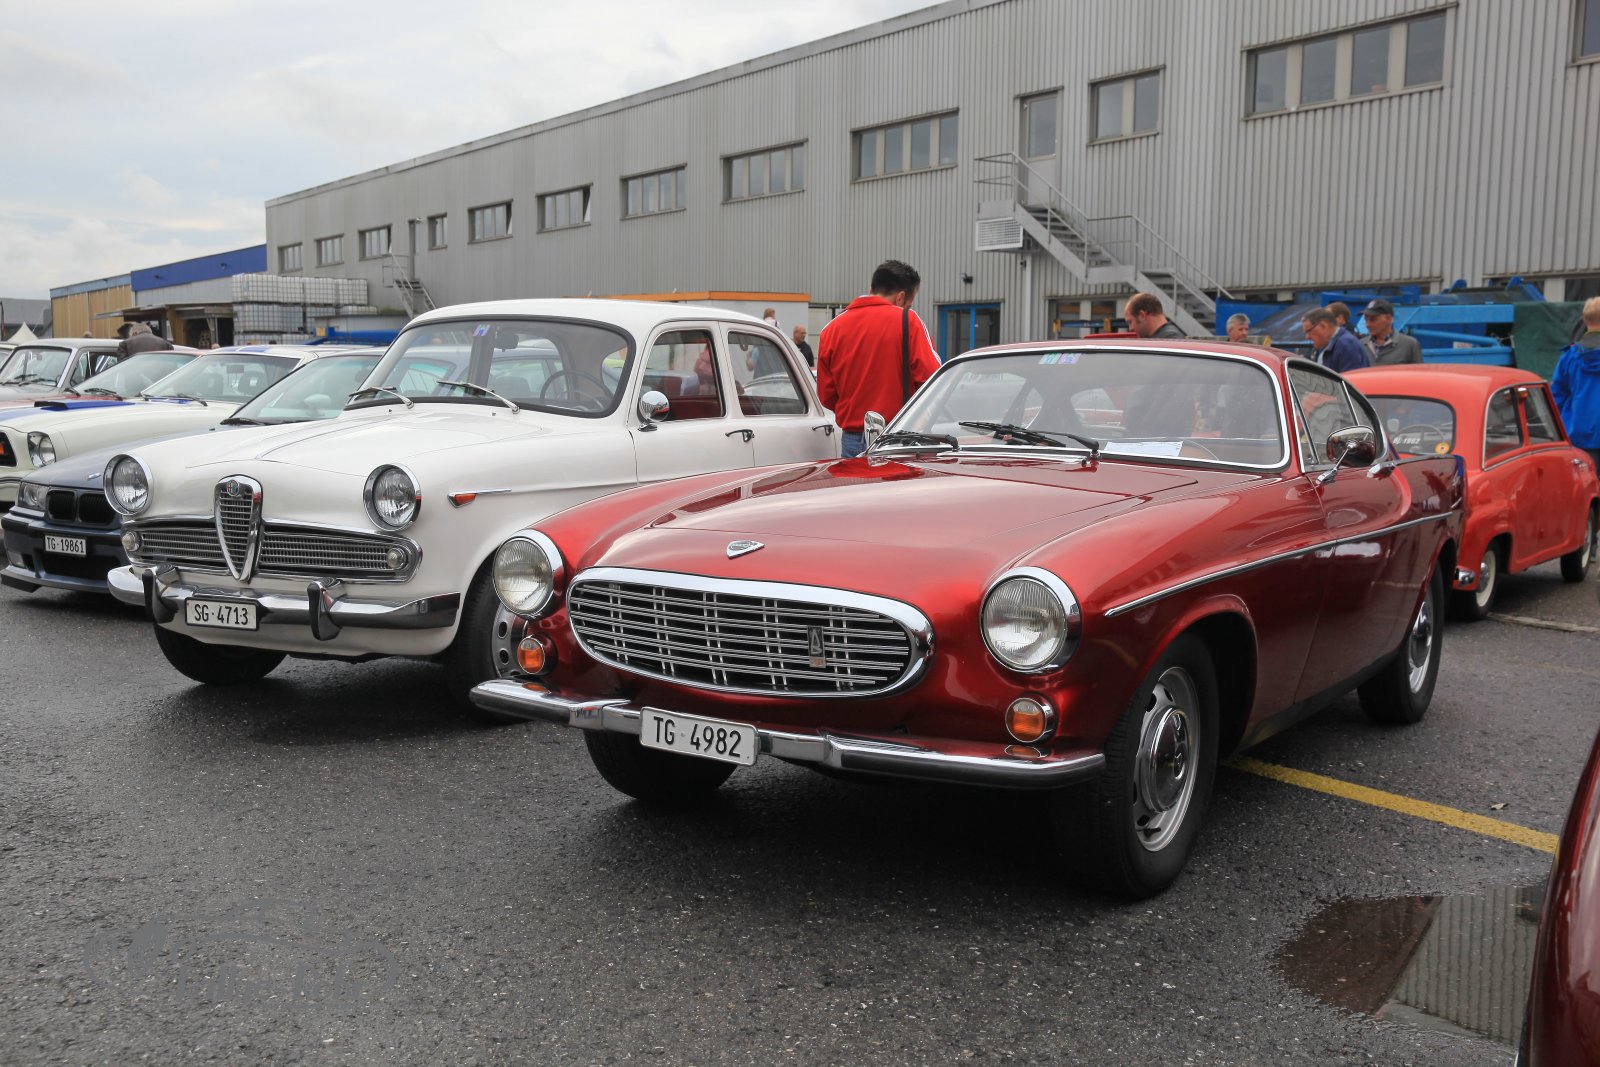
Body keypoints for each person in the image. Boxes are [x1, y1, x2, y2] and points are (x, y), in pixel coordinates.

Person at [816, 259, 942, 458]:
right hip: (897, 438)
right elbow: (933, 380)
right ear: (901, 297)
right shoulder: (908, 321)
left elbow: (826, 395)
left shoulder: (831, 329)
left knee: (854, 480)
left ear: (871, 289)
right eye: (909, 304)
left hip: (853, 439)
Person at [1551, 296, 1600, 470]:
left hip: (1578, 434)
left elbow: (1556, 398)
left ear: (1585, 321)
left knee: (1584, 483)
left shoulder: (1569, 357)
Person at [1302, 307, 1369, 372]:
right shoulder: (1328, 345)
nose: (1307, 337)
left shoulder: (1346, 345)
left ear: (1323, 326)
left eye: (1309, 331)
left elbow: (1351, 378)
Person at [1361, 299, 1423, 365]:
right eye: (1366, 320)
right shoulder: (1361, 345)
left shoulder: (1409, 345)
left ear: (1389, 319)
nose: (1368, 325)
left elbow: (1418, 370)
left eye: (1373, 319)